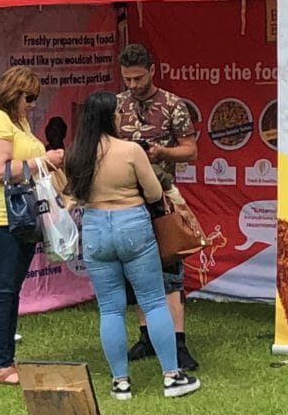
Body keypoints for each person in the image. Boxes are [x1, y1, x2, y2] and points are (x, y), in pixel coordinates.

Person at [64, 91, 201, 400]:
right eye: (117, 113)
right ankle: (171, 376)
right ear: (110, 117)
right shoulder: (129, 150)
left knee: (109, 308)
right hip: (133, 226)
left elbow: (75, 195)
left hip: (95, 228)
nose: (121, 116)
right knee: (153, 301)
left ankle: (120, 382)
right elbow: (154, 193)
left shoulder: (76, 153)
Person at [0, 65, 63, 386]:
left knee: (9, 290)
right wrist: (43, 162)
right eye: (28, 97)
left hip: (15, 217)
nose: (32, 103)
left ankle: (5, 358)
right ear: (14, 93)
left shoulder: (13, 121)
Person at [115, 43, 199, 371]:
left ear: (152, 70)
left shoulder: (172, 104)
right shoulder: (117, 105)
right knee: (137, 270)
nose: (133, 85)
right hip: (125, 197)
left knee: (171, 270)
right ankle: (147, 337)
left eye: (138, 78)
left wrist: (162, 153)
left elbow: (190, 150)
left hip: (161, 197)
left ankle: (178, 343)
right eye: (127, 79)